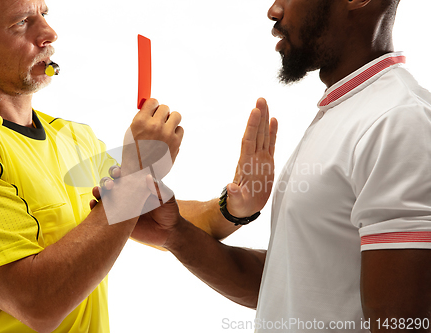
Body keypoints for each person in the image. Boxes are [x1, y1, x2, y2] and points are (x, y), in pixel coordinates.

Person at [0, 0, 272, 332]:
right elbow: (38, 305)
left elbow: (158, 221)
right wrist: (137, 173)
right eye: (21, 22)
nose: (48, 32)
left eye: (44, 14)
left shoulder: (74, 137)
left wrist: (233, 208)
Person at [130, 0, 431, 332]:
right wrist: (175, 234)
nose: (274, 10)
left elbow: (401, 323)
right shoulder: (353, 108)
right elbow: (291, 283)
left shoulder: (398, 121)